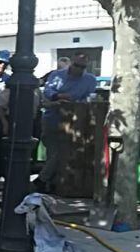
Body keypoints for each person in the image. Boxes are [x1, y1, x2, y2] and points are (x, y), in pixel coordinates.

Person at [33, 51, 98, 193]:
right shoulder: (57, 75)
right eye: (76, 65)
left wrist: (73, 103)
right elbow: (47, 92)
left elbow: (89, 99)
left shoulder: (90, 80)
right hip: (52, 118)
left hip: (75, 122)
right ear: (71, 63)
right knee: (53, 152)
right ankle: (46, 183)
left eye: (82, 67)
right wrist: (58, 96)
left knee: (64, 153)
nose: (79, 69)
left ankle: (44, 182)